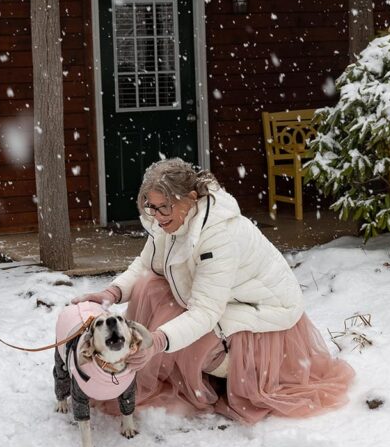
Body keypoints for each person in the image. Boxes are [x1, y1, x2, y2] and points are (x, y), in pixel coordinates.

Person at [73, 158, 354, 423]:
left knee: (190, 338)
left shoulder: (217, 237)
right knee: (150, 285)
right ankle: (192, 370)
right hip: (219, 300)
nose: (156, 216)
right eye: (151, 207)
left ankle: (229, 375)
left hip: (261, 312)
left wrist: (157, 342)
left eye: (163, 207)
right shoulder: (170, 220)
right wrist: (112, 293)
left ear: (191, 199)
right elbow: (147, 265)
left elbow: (205, 312)